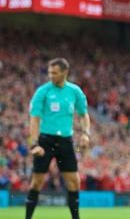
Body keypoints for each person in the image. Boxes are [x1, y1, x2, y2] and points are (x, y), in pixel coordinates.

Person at [25, 58, 91, 219]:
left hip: (66, 142)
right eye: (49, 72)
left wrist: (85, 133)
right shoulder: (43, 91)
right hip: (45, 141)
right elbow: (34, 119)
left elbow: (83, 115)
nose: (51, 75)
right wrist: (33, 144)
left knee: (74, 182)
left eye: (54, 72)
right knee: (37, 182)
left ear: (64, 72)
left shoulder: (75, 91)